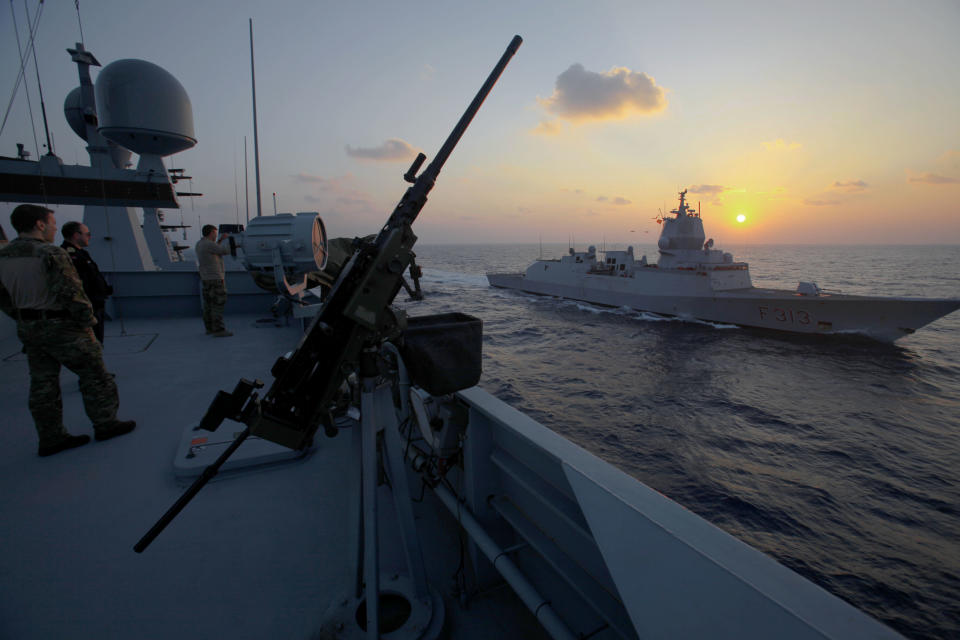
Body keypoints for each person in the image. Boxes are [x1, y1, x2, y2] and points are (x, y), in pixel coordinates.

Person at [0, 204, 136, 457]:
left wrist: (23, 317)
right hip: (62, 327)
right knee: (96, 376)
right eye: (51, 223)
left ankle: (51, 438)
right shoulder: (50, 253)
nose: (54, 228)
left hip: (29, 328)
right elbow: (71, 292)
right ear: (39, 224)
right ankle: (106, 424)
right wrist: (87, 320)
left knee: (43, 385)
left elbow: (3, 298)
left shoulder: (4, 255)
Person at [61, 221, 112, 343]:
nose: (89, 237)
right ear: (76, 235)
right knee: (89, 343)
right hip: (85, 309)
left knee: (96, 341)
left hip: (94, 306)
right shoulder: (67, 255)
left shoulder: (82, 254)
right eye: (87, 234)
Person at [195, 224, 232, 337]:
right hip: (215, 279)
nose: (216, 236)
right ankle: (219, 330)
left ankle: (210, 328)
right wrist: (230, 240)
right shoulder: (208, 244)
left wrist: (220, 240)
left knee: (208, 304)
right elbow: (225, 251)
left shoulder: (200, 244)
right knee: (218, 303)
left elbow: (215, 248)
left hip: (206, 278)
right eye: (215, 233)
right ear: (211, 232)